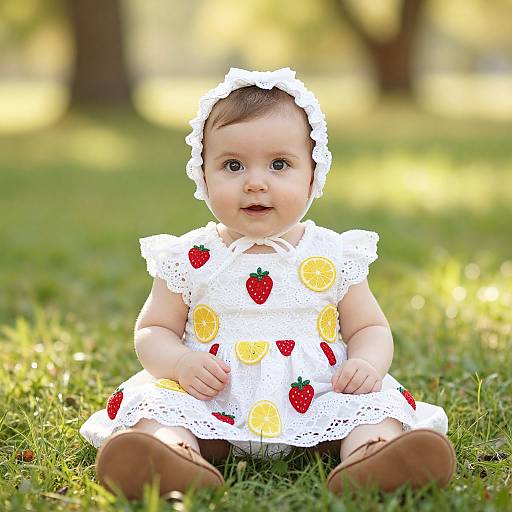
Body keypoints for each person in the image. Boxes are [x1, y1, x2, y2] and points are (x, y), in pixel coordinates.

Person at [80, 67, 456, 499]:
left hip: (317, 394)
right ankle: (171, 450)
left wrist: (368, 365)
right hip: (211, 396)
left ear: (313, 175)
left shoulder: (333, 254)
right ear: (203, 175)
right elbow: (154, 330)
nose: (255, 182)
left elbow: (368, 327)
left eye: (280, 164)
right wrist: (180, 364)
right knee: (162, 406)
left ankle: (375, 451)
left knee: (371, 408)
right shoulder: (189, 256)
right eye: (232, 165)